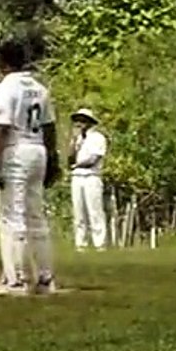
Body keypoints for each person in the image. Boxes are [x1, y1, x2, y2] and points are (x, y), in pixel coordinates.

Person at [0, 36, 60, 294]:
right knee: (36, 214)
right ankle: (45, 275)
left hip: (15, 150)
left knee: (13, 214)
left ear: (3, 62)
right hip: (38, 148)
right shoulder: (39, 88)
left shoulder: (6, 88)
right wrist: (53, 159)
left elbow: (0, 129)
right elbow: (50, 127)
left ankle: (16, 276)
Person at [69, 108, 108, 252]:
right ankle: (81, 244)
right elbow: (70, 159)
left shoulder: (98, 138)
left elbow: (93, 159)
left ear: (89, 123)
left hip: (92, 176)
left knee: (94, 210)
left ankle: (100, 243)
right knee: (78, 212)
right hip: (77, 177)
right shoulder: (78, 139)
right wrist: (73, 143)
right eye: (77, 120)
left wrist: (77, 164)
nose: (79, 123)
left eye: (82, 120)